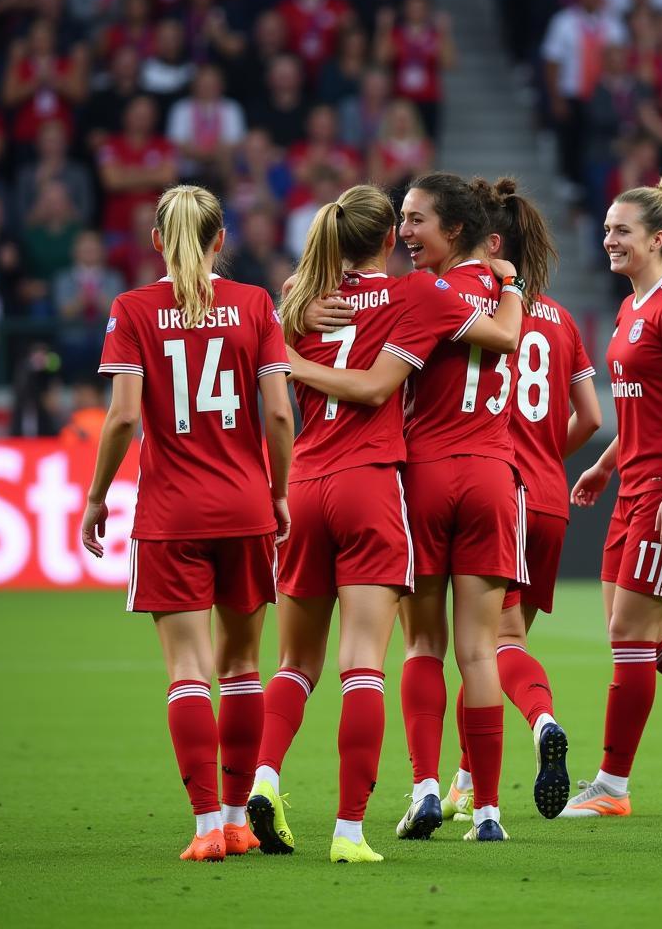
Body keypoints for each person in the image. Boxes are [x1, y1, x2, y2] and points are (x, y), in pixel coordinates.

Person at [248, 182, 523, 862]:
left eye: (415, 219)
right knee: (367, 664)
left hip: (305, 484)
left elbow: (268, 362)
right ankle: (352, 831)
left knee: (292, 663)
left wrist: (294, 352)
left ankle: (264, 777)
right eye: (398, 222)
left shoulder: (297, 300)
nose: (406, 231)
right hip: (374, 485)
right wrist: (511, 283)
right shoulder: (415, 296)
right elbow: (389, 382)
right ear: (382, 239)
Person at [80, 184, 294, 861]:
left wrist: (94, 498)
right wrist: (279, 493)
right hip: (245, 507)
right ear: (221, 239)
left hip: (171, 515)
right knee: (241, 669)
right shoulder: (256, 304)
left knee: (188, 673)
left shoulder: (133, 309)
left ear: (155, 242)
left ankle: (206, 829)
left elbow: (119, 417)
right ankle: (237, 819)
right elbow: (281, 415)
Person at [561, 175, 662, 817]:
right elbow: (643, 409)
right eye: (606, 229)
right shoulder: (633, 307)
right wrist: (605, 464)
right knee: (638, 640)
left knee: (632, 635)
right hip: (634, 483)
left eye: (622, 230)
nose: (608, 239)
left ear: (659, 239)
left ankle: (612, 786)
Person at [441, 177, 601, 824]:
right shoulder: (563, 320)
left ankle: (542, 723)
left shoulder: (480, 310)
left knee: (487, 646)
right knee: (490, 649)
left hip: (496, 489)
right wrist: (546, 462)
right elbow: (589, 417)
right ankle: (461, 782)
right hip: (550, 498)